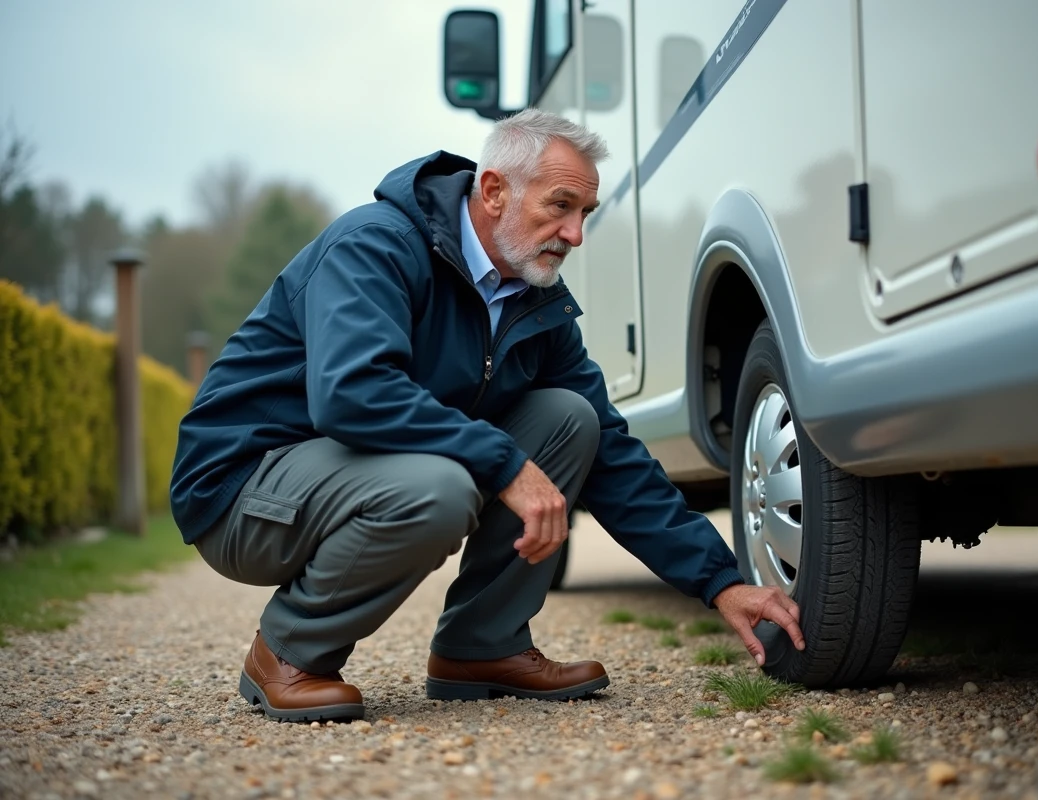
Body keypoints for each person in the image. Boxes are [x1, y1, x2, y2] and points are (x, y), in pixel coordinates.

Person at [169, 108, 805, 723]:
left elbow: (610, 450)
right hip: (245, 491)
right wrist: (506, 464)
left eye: (586, 213)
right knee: (438, 489)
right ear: (495, 191)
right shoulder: (376, 246)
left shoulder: (534, 301)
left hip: (349, 476)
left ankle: (481, 647)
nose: (577, 233)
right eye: (560, 205)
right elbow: (351, 393)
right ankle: (287, 653)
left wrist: (721, 580)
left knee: (569, 417)